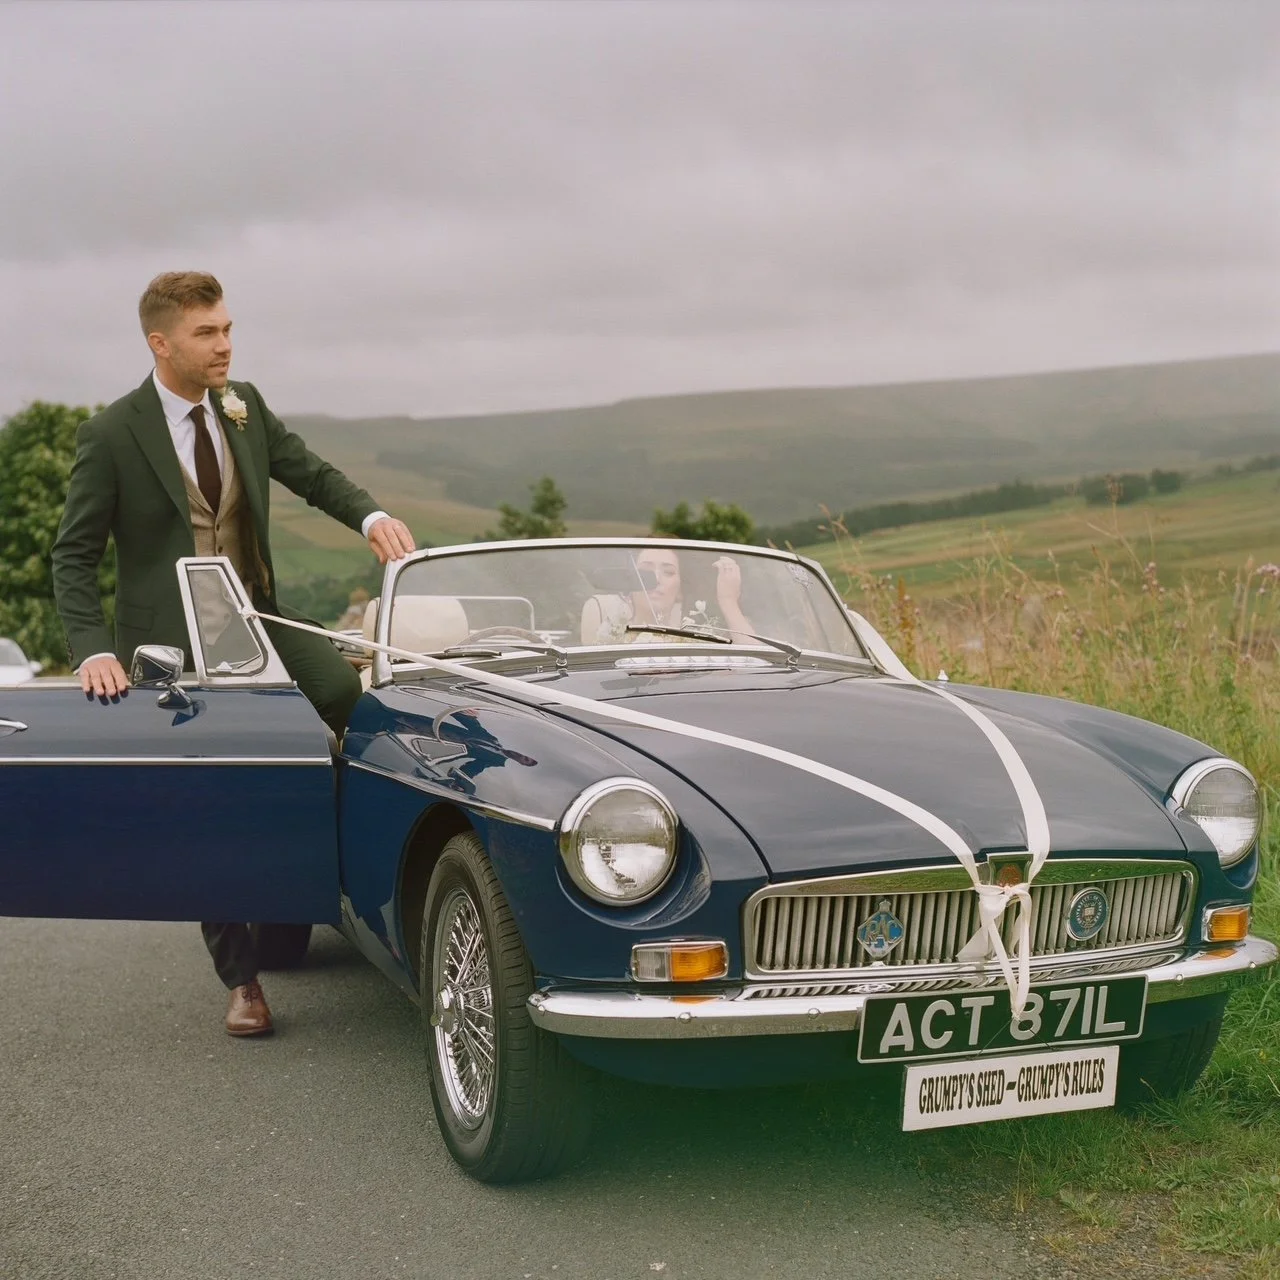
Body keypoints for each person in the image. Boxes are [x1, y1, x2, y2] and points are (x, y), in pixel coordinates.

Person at [51, 271, 416, 1038]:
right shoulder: (113, 434)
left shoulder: (243, 406)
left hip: (256, 615)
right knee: (207, 793)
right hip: (166, 646)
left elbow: (311, 473)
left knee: (348, 700)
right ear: (161, 343)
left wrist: (371, 515)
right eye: (206, 334)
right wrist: (90, 652)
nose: (224, 346)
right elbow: (72, 556)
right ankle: (242, 978)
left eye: (226, 330)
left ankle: (341, 878)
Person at [579, 546, 753, 643]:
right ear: (630, 580)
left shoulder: (698, 631)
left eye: (668, 572)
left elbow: (757, 666)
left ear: (680, 590)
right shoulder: (603, 616)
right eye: (646, 572)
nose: (656, 579)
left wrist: (728, 601)